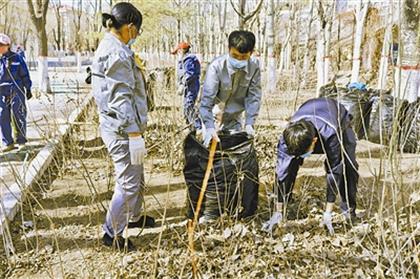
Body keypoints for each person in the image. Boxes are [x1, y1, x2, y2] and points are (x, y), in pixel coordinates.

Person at [91, 2, 154, 251]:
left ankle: (134, 216)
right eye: (136, 31)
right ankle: (112, 233)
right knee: (128, 181)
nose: (136, 36)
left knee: (136, 174)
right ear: (129, 28)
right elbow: (120, 97)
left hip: (120, 125)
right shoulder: (116, 52)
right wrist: (134, 133)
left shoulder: (113, 46)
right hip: (121, 129)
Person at [262, 97, 359, 235]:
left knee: (349, 166)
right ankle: (282, 209)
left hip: (337, 120)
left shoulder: (331, 134)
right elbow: (282, 172)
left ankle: (348, 211)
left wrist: (327, 213)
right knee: (289, 165)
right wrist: (277, 212)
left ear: (314, 141)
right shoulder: (288, 136)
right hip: (309, 115)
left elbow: (334, 170)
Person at [199, 30, 262, 147]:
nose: (238, 60)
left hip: (234, 119)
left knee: (233, 155)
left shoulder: (254, 68)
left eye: (243, 57)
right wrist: (209, 127)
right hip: (212, 118)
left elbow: (254, 97)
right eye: (235, 56)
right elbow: (206, 101)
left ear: (251, 53)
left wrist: (249, 123)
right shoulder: (216, 67)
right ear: (229, 49)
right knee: (210, 155)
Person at [0, 34, 32, 153]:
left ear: (7, 45)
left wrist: (28, 88)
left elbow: (25, 74)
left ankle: (21, 141)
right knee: (3, 116)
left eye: (1, 45)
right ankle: (8, 143)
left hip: (16, 91)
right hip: (1, 93)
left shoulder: (17, 58)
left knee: (19, 115)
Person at [172, 42, 202, 131]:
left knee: (189, 106)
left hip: (191, 85)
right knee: (186, 107)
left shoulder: (188, 59)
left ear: (182, 51)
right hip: (188, 86)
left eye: (177, 52)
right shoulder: (184, 59)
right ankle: (190, 127)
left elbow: (190, 74)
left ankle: (198, 127)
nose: (177, 55)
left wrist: (182, 84)